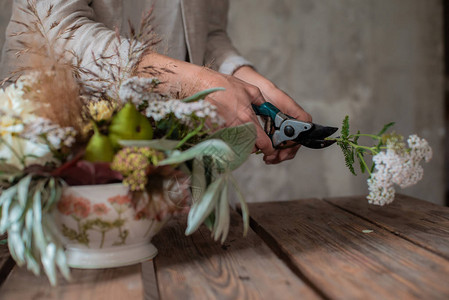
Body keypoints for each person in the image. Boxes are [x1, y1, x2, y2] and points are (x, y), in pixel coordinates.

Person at [0, 0, 311, 164]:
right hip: (61, 151)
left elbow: (209, 32)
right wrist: (196, 83)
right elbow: (58, 29)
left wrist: (255, 86)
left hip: (164, 160)